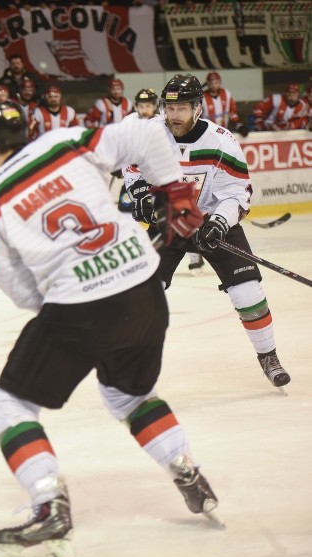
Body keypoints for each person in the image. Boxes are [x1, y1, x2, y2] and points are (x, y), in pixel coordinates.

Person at [0, 101, 217, 557]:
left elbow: (20, 289)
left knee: (8, 404)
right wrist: (176, 190)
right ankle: (187, 470)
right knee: (128, 395)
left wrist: (71, 306)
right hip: (144, 286)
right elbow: (146, 133)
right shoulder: (65, 142)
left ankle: (48, 508)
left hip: (80, 308)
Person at [125, 74, 292, 392]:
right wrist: (143, 196)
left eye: (182, 108)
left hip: (213, 221)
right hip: (168, 223)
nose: (174, 115)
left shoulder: (221, 141)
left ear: (198, 108)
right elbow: (132, 171)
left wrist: (218, 222)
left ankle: (269, 357)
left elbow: (238, 193)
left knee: (247, 291)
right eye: (169, 108)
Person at [201, 71, 247, 137]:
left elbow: (232, 113)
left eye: (216, 82)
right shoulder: (202, 97)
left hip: (223, 134)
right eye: (211, 83)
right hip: (206, 134)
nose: (214, 85)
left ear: (220, 82)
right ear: (207, 83)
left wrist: (239, 126)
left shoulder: (226, 94)